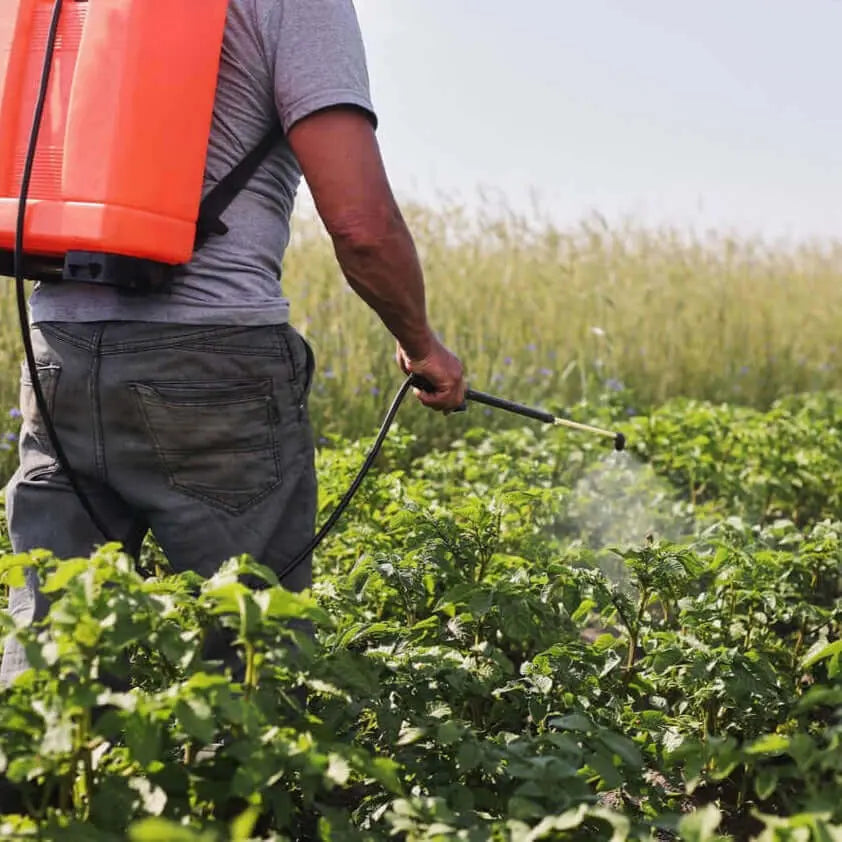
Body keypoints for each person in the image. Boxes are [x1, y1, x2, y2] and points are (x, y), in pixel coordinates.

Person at [0, 0, 466, 683]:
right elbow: (361, 225)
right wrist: (421, 343)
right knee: (252, 659)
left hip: (56, 352)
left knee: (51, 655)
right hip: (211, 361)